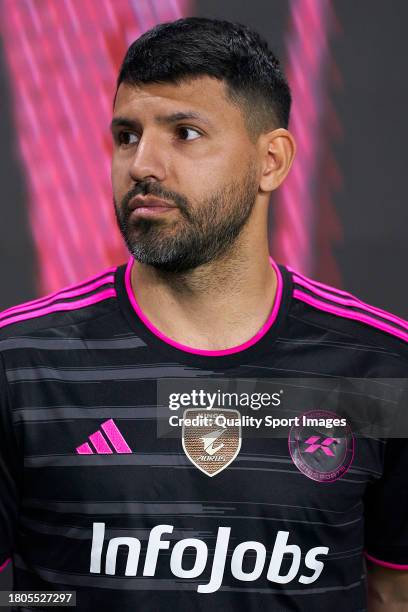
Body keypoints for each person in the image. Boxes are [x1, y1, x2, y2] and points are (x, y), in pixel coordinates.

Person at [0, 16, 407, 612]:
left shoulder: (379, 364)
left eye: (185, 133)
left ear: (272, 160)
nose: (143, 164)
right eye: (126, 135)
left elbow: (392, 592)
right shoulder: (21, 362)